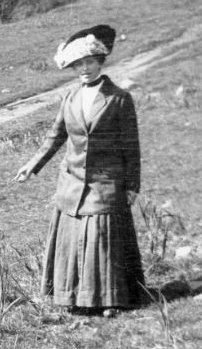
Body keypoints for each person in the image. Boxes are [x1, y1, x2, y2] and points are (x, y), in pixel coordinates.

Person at [15, 24, 146, 317]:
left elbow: (131, 147)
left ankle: (111, 299)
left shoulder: (119, 98)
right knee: (73, 239)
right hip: (72, 180)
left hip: (106, 181)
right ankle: (70, 296)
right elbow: (56, 135)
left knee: (102, 239)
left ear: (100, 62)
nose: (84, 69)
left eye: (89, 62)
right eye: (78, 64)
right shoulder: (70, 98)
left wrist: (132, 186)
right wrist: (32, 165)